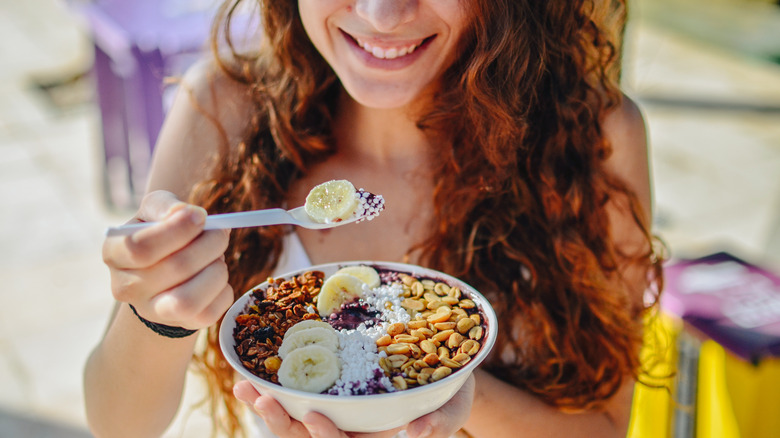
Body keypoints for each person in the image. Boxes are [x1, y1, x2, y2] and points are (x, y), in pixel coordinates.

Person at [84, 0, 665, 437]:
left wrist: (430, 388)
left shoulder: (592, 137)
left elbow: (606, 429)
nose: (382, 14)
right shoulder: (227, 109)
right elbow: (118, 423)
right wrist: (155, 312)